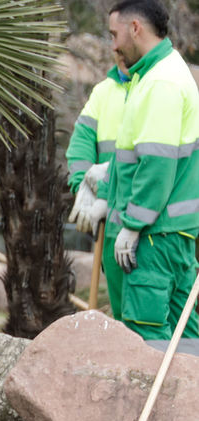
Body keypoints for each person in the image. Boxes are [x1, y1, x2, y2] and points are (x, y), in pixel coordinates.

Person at [101, 0, 199, 340]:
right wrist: (104, 174)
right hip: (170, 234)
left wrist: (133, 225)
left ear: (135, 29)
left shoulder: (161, 83)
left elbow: (156, 164)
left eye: (115, 34)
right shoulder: (157, 75)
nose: (113, 45)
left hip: (153, 237)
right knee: (184, 338)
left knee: (147, 339)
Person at [66, 60, 129, 317]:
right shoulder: (104, 91)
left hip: (154, 216)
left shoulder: (159, 86)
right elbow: (81, 142)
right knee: (123, 312)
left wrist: (105, 180)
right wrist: (84, 184)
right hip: (110, 220)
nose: (116, 48)